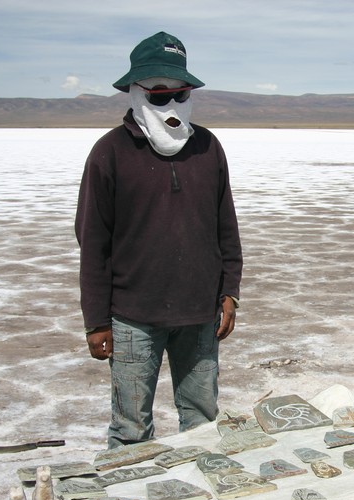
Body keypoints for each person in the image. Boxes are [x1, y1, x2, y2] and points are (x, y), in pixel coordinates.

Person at [75, 31, 243, 448]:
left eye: (180, 95)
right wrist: (96, 320)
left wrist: (230, 292)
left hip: (200, 315)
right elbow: (92, 241)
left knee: (202, 423)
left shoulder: (207, 147)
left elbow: (226, 225)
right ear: (135, 93)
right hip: (133, 318)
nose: (170, 106)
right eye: (159, 95)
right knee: (131, 430)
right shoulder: (109, 152)